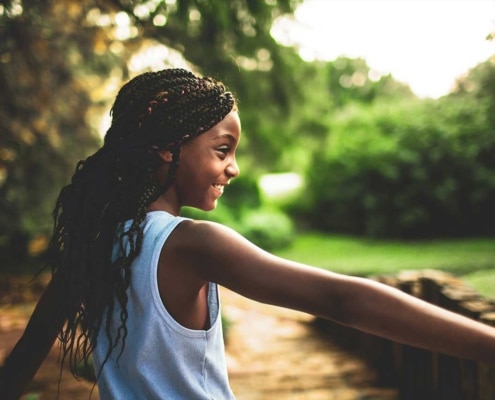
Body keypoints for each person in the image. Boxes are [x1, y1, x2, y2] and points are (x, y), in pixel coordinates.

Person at [1, 68, 495, 400]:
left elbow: (23, 359)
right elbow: (341, 300)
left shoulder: (94, 246)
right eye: (222, 149)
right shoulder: (194, 244)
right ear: (169, 148)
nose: (233, 168)